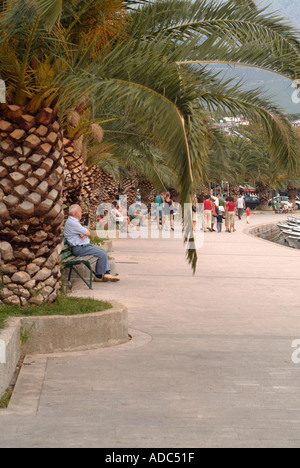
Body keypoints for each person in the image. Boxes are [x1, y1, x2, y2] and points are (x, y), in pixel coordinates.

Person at [64, 205, 120, 283]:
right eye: (80, 212)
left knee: (101, 251)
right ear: (76, 213)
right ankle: (104, 274)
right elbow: (87, 232)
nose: (81, 213)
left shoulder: (72, 222)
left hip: (82, 247)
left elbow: (85, 232)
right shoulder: (72, 222)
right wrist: (85, 233)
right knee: (102, 253)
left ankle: (100, 275)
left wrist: (84, 234)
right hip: (80, 248)